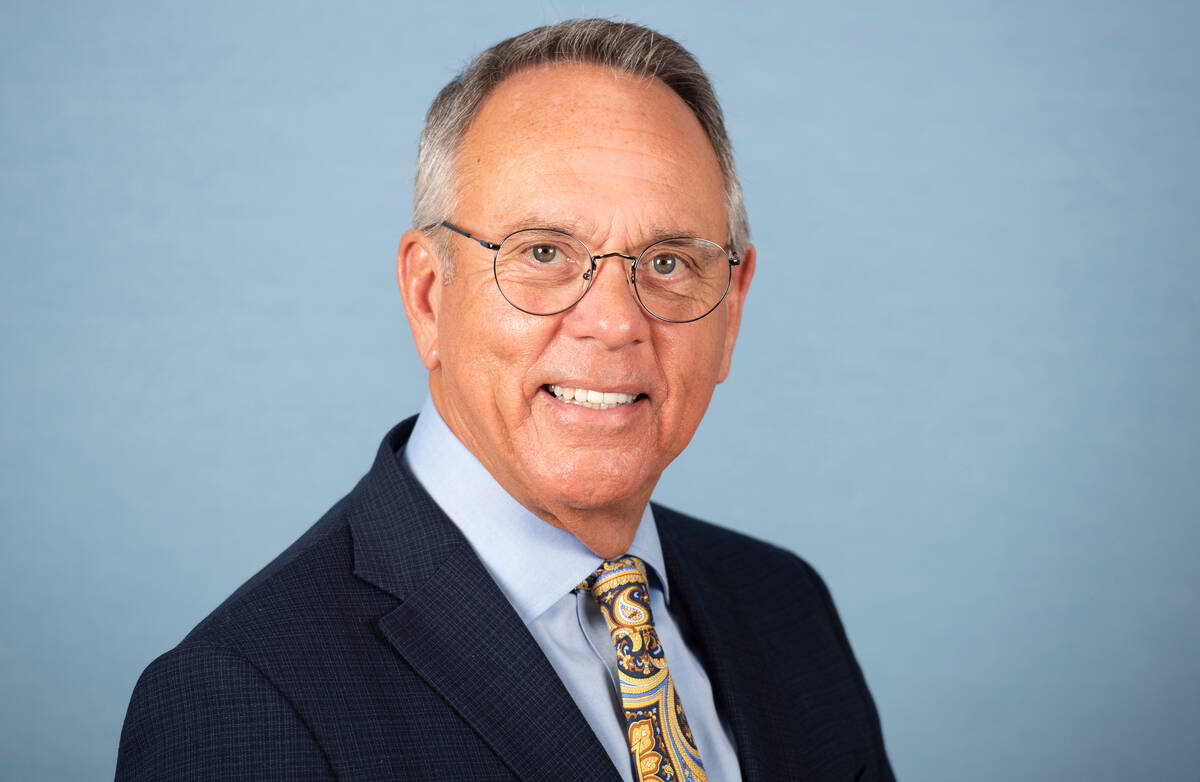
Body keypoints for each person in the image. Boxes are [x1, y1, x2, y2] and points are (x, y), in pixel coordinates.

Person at [116, 19, 893, 782]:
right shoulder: (245, 702)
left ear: (732, 310)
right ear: (428, 296)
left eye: (667, 261)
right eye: (544, 253)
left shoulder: (786, 606)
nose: (616, 321)